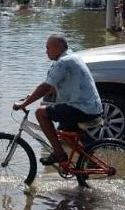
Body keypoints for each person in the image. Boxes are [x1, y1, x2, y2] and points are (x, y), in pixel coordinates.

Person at [13, 34, 103, 165]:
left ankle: (59, 154)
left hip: (81, 108)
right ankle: (90, 161)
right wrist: (29, 97)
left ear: (57, 47)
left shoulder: (63, 62)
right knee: (64, 134)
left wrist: (24, 104)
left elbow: (45, 87)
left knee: (40, 113)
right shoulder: (72, 57)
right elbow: (51, 87)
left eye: (48, 48)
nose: (46, 52)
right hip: (90, 107)